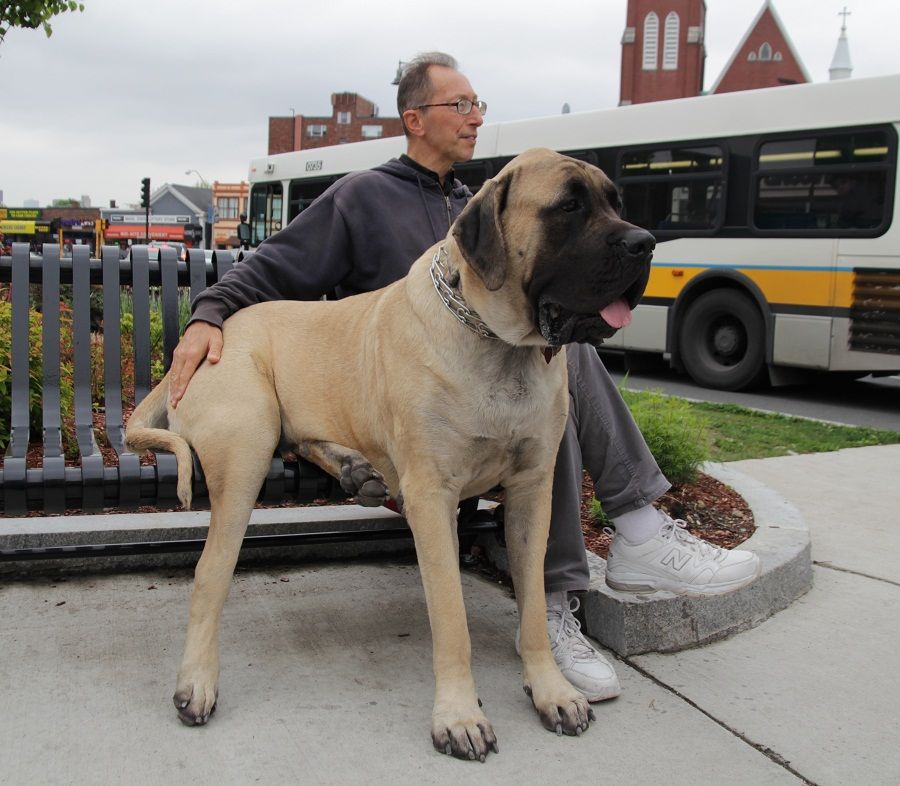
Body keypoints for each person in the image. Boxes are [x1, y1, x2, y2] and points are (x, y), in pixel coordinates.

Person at [168, 52, 760, 703]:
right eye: (462, 105)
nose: (477, 117)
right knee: (555, 357)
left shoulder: (473, 199)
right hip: (417, 404)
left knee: (558, 352)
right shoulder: (363, 195)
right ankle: (586, 579)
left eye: (480, 105)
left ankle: (605, 559)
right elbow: (273, 268)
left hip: (499, 387)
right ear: (414, 119)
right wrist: (210, 313)